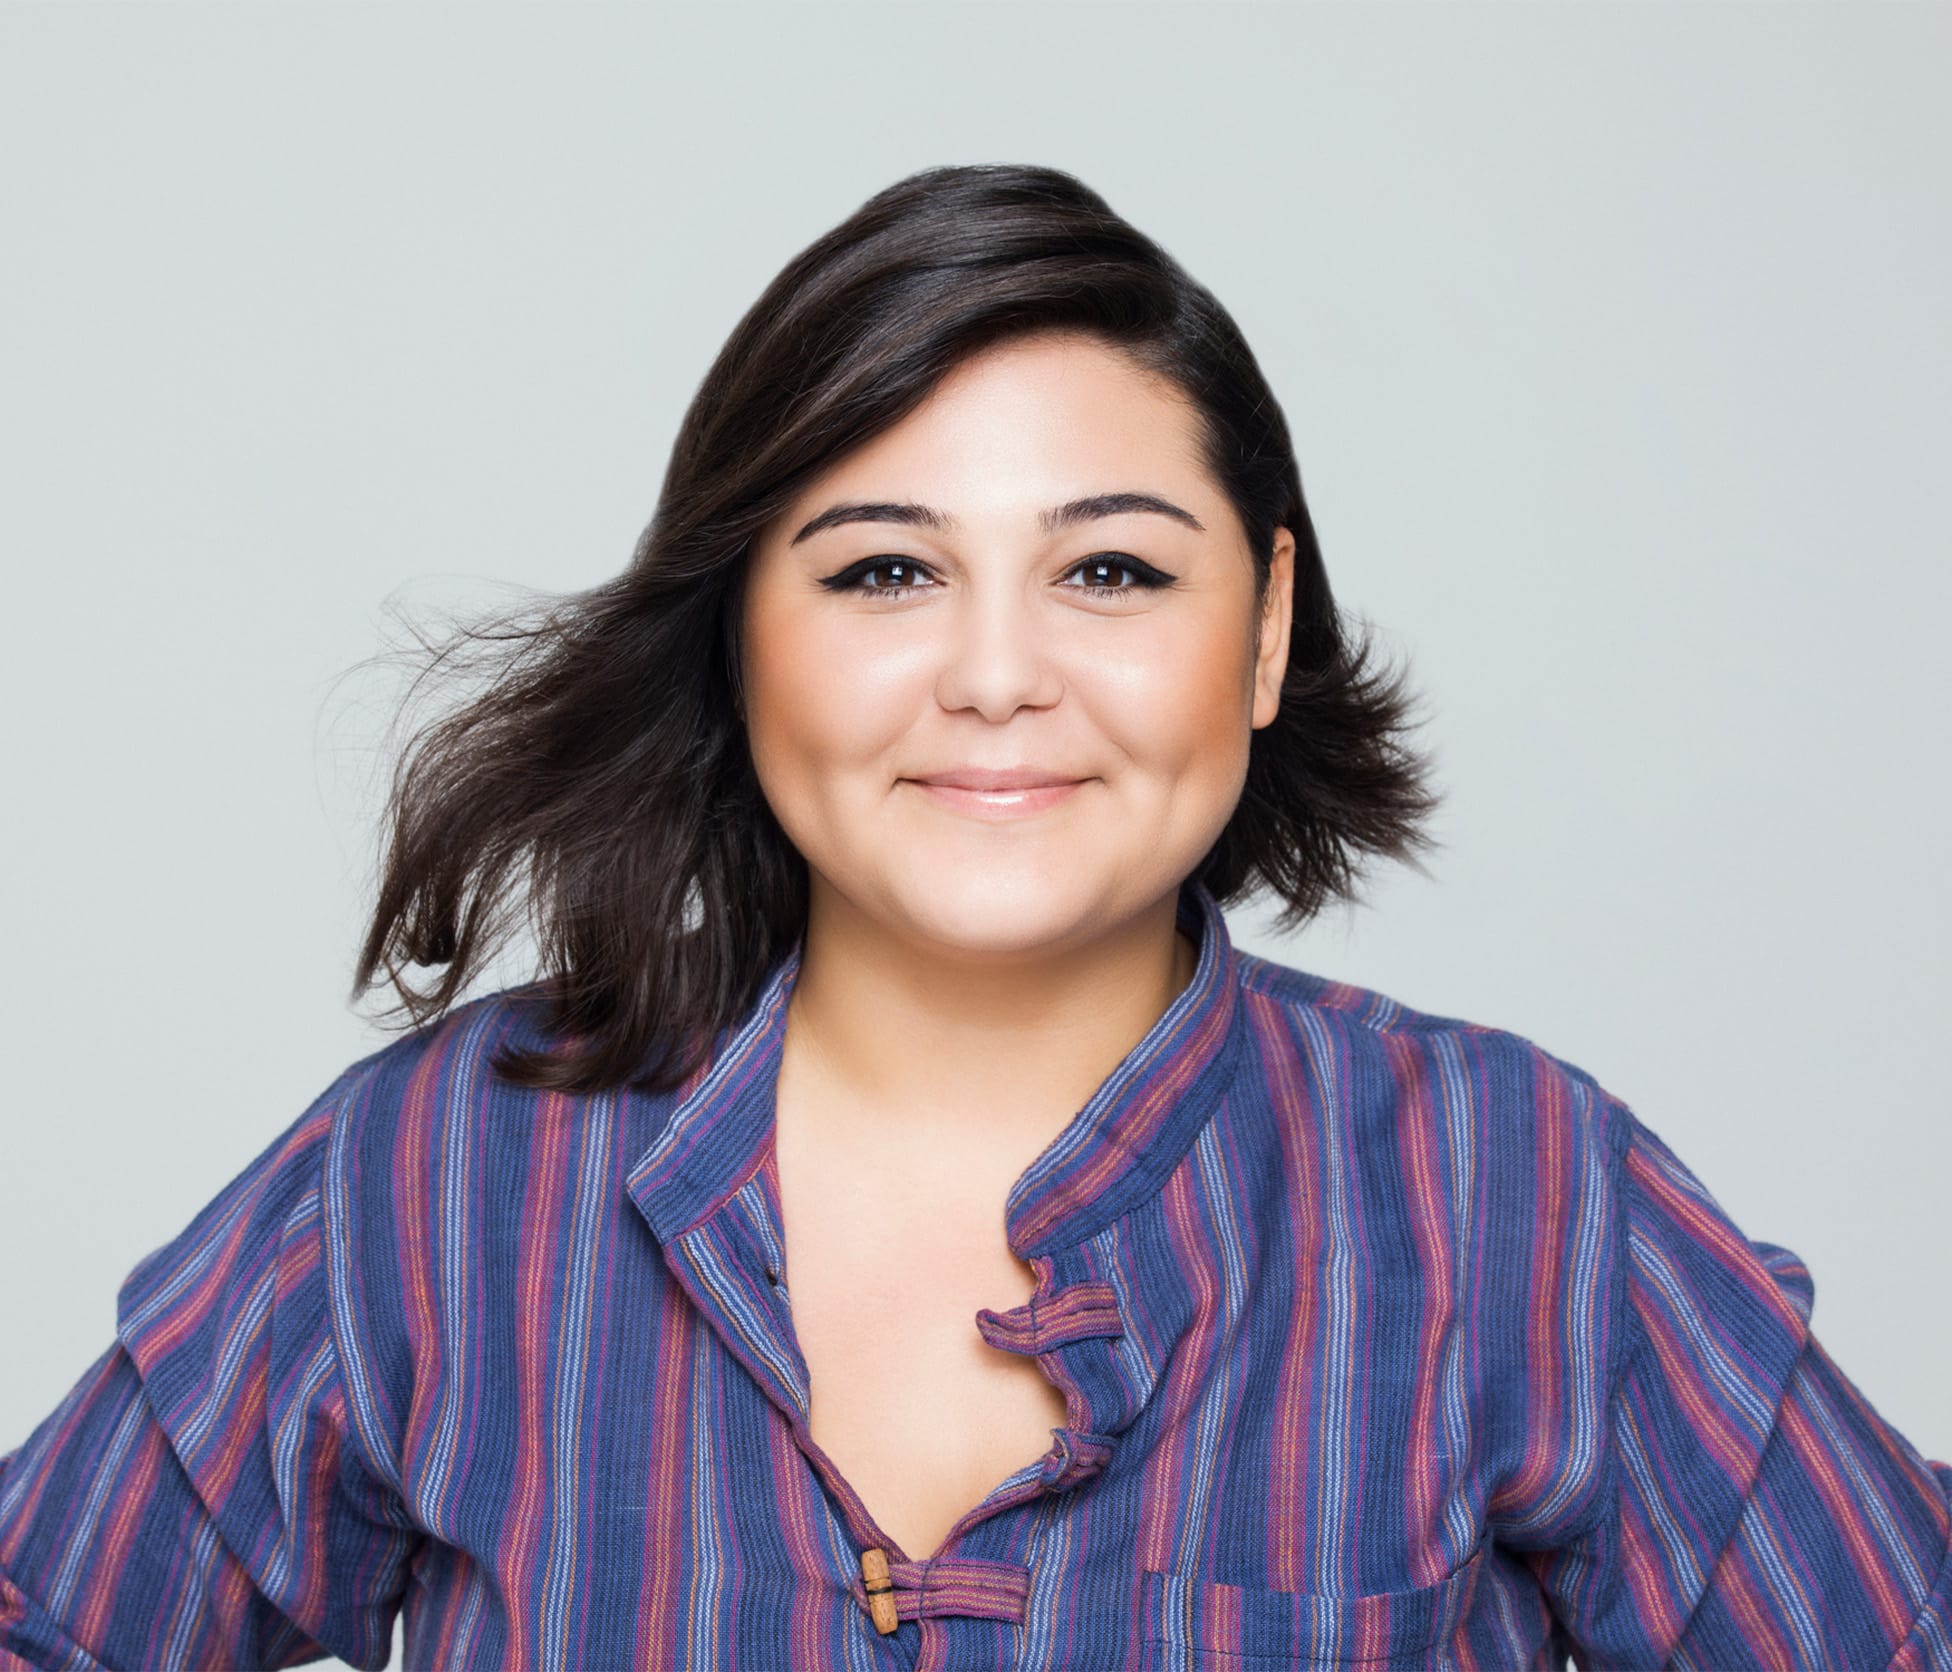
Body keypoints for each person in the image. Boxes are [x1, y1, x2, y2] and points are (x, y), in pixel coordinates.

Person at [1, 162, 1946, 1672]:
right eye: (879, 572)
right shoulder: (432, 1180)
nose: (996, 674)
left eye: (1108, 566)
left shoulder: (1512, 1197)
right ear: (739, 627)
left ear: (1261, 626)